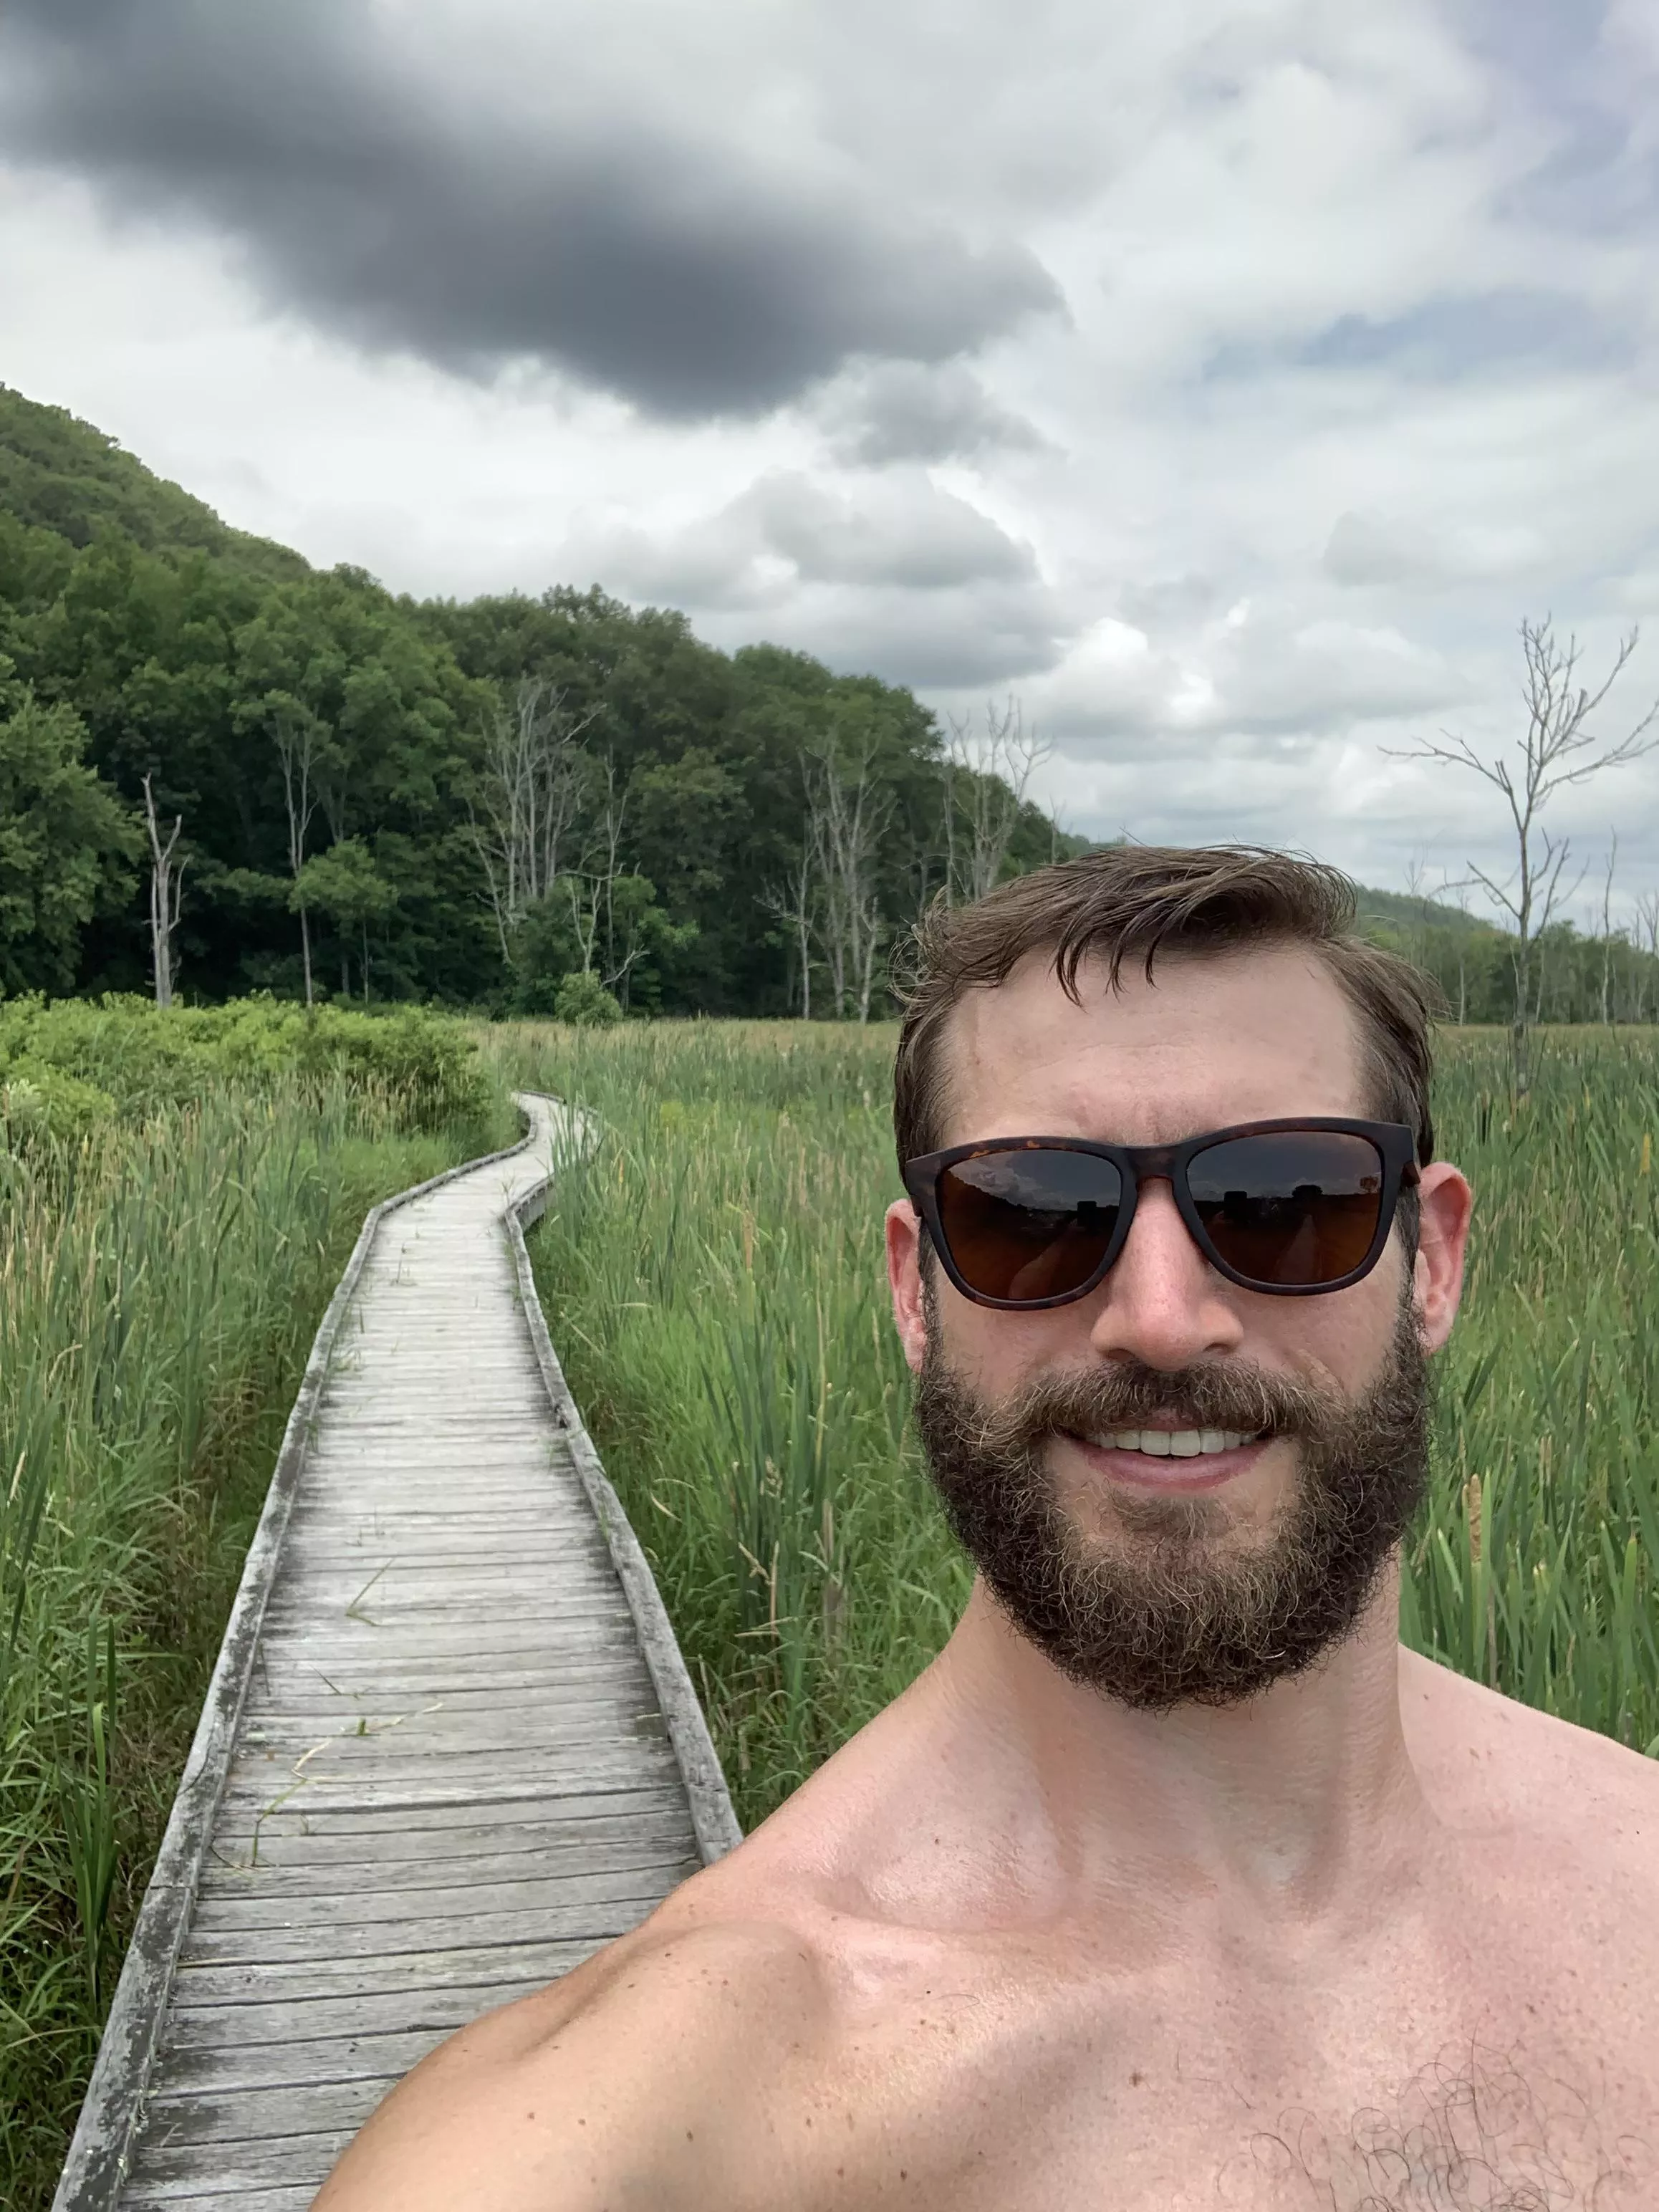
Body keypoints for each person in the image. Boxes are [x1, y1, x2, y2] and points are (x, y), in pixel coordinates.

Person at [319, 847, 1658, 2210]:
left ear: (1429, 1261)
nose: (1158, 1315)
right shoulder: (670, 2122)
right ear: (917, 1289)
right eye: (1034, 1214)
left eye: (1284, 1201)